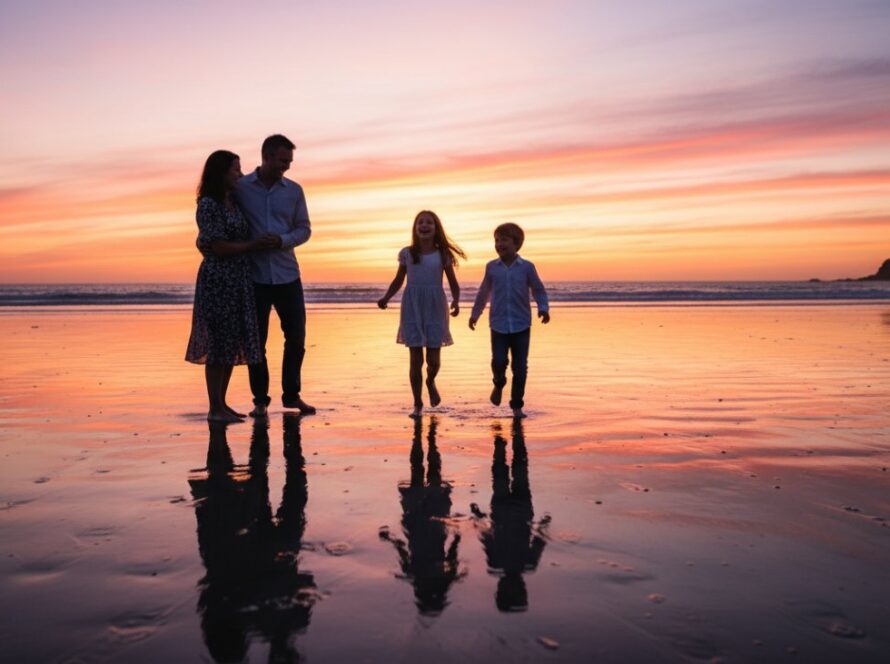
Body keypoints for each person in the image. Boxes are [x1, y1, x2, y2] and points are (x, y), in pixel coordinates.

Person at [185, 150, 278, 422]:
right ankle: (214, 407)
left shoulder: (233, 201)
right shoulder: (208, 204)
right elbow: (217, 245)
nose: (240, 174)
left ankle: (222, 404)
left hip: (239, 279)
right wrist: (252, 245)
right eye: (236, 169)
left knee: (229, 343)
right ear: (221, 172)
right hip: (218, 280)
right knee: (217, 344)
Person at [236, 134, 316, 417]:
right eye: (283, 161)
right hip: (253, 277)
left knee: (296, 337)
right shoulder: (241, 187)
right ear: (266, 156)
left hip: (287, 274)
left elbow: (305, 229)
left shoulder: (294, 191)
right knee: (255, 341)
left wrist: (282, 240)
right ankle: (260, 400)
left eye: (290, 161)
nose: (287, 166)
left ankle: (292, 396)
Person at [378, 210, 465, 418]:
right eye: (420, 223)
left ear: (436, 229)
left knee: (433, 360)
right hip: (413, 307)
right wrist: (386, 297)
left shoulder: (442, 254)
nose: (424, 225)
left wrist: (456, 301)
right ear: (415, 229)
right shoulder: (407, 253)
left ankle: (430, 381)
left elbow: (453, 282)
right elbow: (399, 280)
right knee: (415, 359)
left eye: (429, 223)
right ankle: (417, 403)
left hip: (436, 307)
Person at [469, 222, 550, 418]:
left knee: (520, 367)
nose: (499, 244)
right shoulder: (491, 268)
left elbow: (538, 289)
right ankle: (498, 383)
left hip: (521, 324)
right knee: (498, 361)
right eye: (496, 240)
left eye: (504, 240)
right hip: (498, 324)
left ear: (516, 243)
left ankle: (516, 406)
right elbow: (483, 293)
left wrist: (543, 308)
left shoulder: (527, 267)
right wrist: (475, 314)